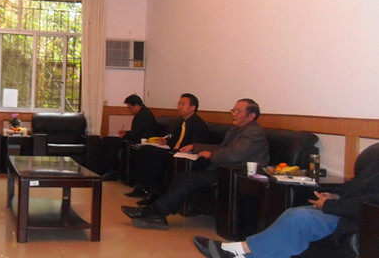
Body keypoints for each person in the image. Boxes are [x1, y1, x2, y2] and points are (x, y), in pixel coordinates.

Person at [193, 158, 379, 258]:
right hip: (345, 208)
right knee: (292, 213)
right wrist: (334, 195)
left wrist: (330, 205)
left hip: (364, 218)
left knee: (300, 218)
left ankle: (234, 250)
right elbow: (354, 186)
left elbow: (372, 201)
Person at [122, 98, 270, 229]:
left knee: (189, 180)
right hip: (225, 170)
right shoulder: (237, 129)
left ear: (251, 116)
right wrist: (195, 147)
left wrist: (211, 155)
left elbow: (233, 154)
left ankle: (152, 212)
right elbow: (222, 147)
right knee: (182, 177)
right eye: (233, 110)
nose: (234, 114)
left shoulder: (253, 132)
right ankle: (158, 213)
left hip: (238, 174)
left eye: (238, 111)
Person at [126, 93, 209, 199]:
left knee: (156, 154)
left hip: (183, 154)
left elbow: (198, 144)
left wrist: (190, 147)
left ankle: (153, 192)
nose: (179, 107)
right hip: (173, 150)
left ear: (192, 108)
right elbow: (174, 137)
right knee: (146, 149)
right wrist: (166, 141)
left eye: (183, 104)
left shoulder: (198, 124)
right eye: (179, 104)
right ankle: (141, 186)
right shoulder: (182, 122)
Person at [97, 94, 158, 180]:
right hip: (136, 138)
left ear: (136, 106)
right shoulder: (141, 114)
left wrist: (125, 135)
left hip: (141, 141)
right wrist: (126, 132)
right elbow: (136, 132)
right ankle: (105, 170)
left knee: (110, 142)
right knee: (107, 139)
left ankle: (111, 171)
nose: (129, 110)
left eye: (130, 108)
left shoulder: (145, 116)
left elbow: (139, 134)